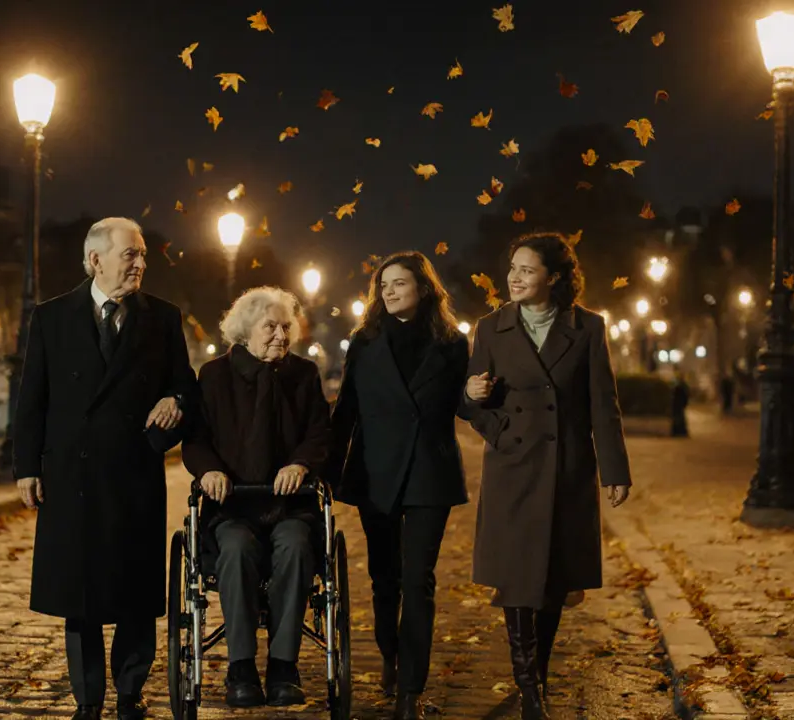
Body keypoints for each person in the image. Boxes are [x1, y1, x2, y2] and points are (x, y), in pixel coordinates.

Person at [12, 217, 197, 720]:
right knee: (79, 594)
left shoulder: (163, 317)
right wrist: (26, 467)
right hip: (71, 476)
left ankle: (131, 695)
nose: (140, 263)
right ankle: (88, 700)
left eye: (142, 255)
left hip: (133, 473)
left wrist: (174, 401)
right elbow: (32, 399)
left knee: (136, 593)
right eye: (130, 255)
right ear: (96, 260)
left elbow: (186, 388)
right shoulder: (50, 317)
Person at [458, 232, 632, 720]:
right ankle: (530, 687)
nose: (514, 277)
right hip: (513, 468)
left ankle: (540, 670)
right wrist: (479, 401)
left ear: (555, 278)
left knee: (554, 579)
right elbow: (469, 404)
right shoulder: (490, 327)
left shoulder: (589, 328)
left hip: (567, 468)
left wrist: (615, 469)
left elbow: (603, 404)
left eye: (527, 270)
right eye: (512, 268)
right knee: (517, 578)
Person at [329, 252, 469, 720]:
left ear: (424, 288)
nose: (388, 291)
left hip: (430, 470)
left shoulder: (452, 343)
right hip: (377, 470)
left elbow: (464, 405)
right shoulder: (364, 341)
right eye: (383, 284)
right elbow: (346, 409)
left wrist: (479, 398)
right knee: (384, 578)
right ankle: (389, 653)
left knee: (419, 580)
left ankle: (411, 689)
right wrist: (328, 472)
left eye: (399, 283)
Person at [182, 286, 330, 709]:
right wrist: (209, 469)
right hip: (233, 505)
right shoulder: (213, 376)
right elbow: (195, 436)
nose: (281, 335)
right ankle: (241, 665)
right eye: (271, 327)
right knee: (234, 548)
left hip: (289, 503)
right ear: (246, 331)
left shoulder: (303, 374)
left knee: (298, 545)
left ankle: (284, 665)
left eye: (286, 326)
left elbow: (321, 432)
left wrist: (300, 463)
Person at [671, 371, 691, 437]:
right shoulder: (683, 385)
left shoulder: (679, 386)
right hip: (679, 404)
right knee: (680, 418)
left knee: (679, 418)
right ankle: (680, 431)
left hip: (678, 404)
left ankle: (678, 431)